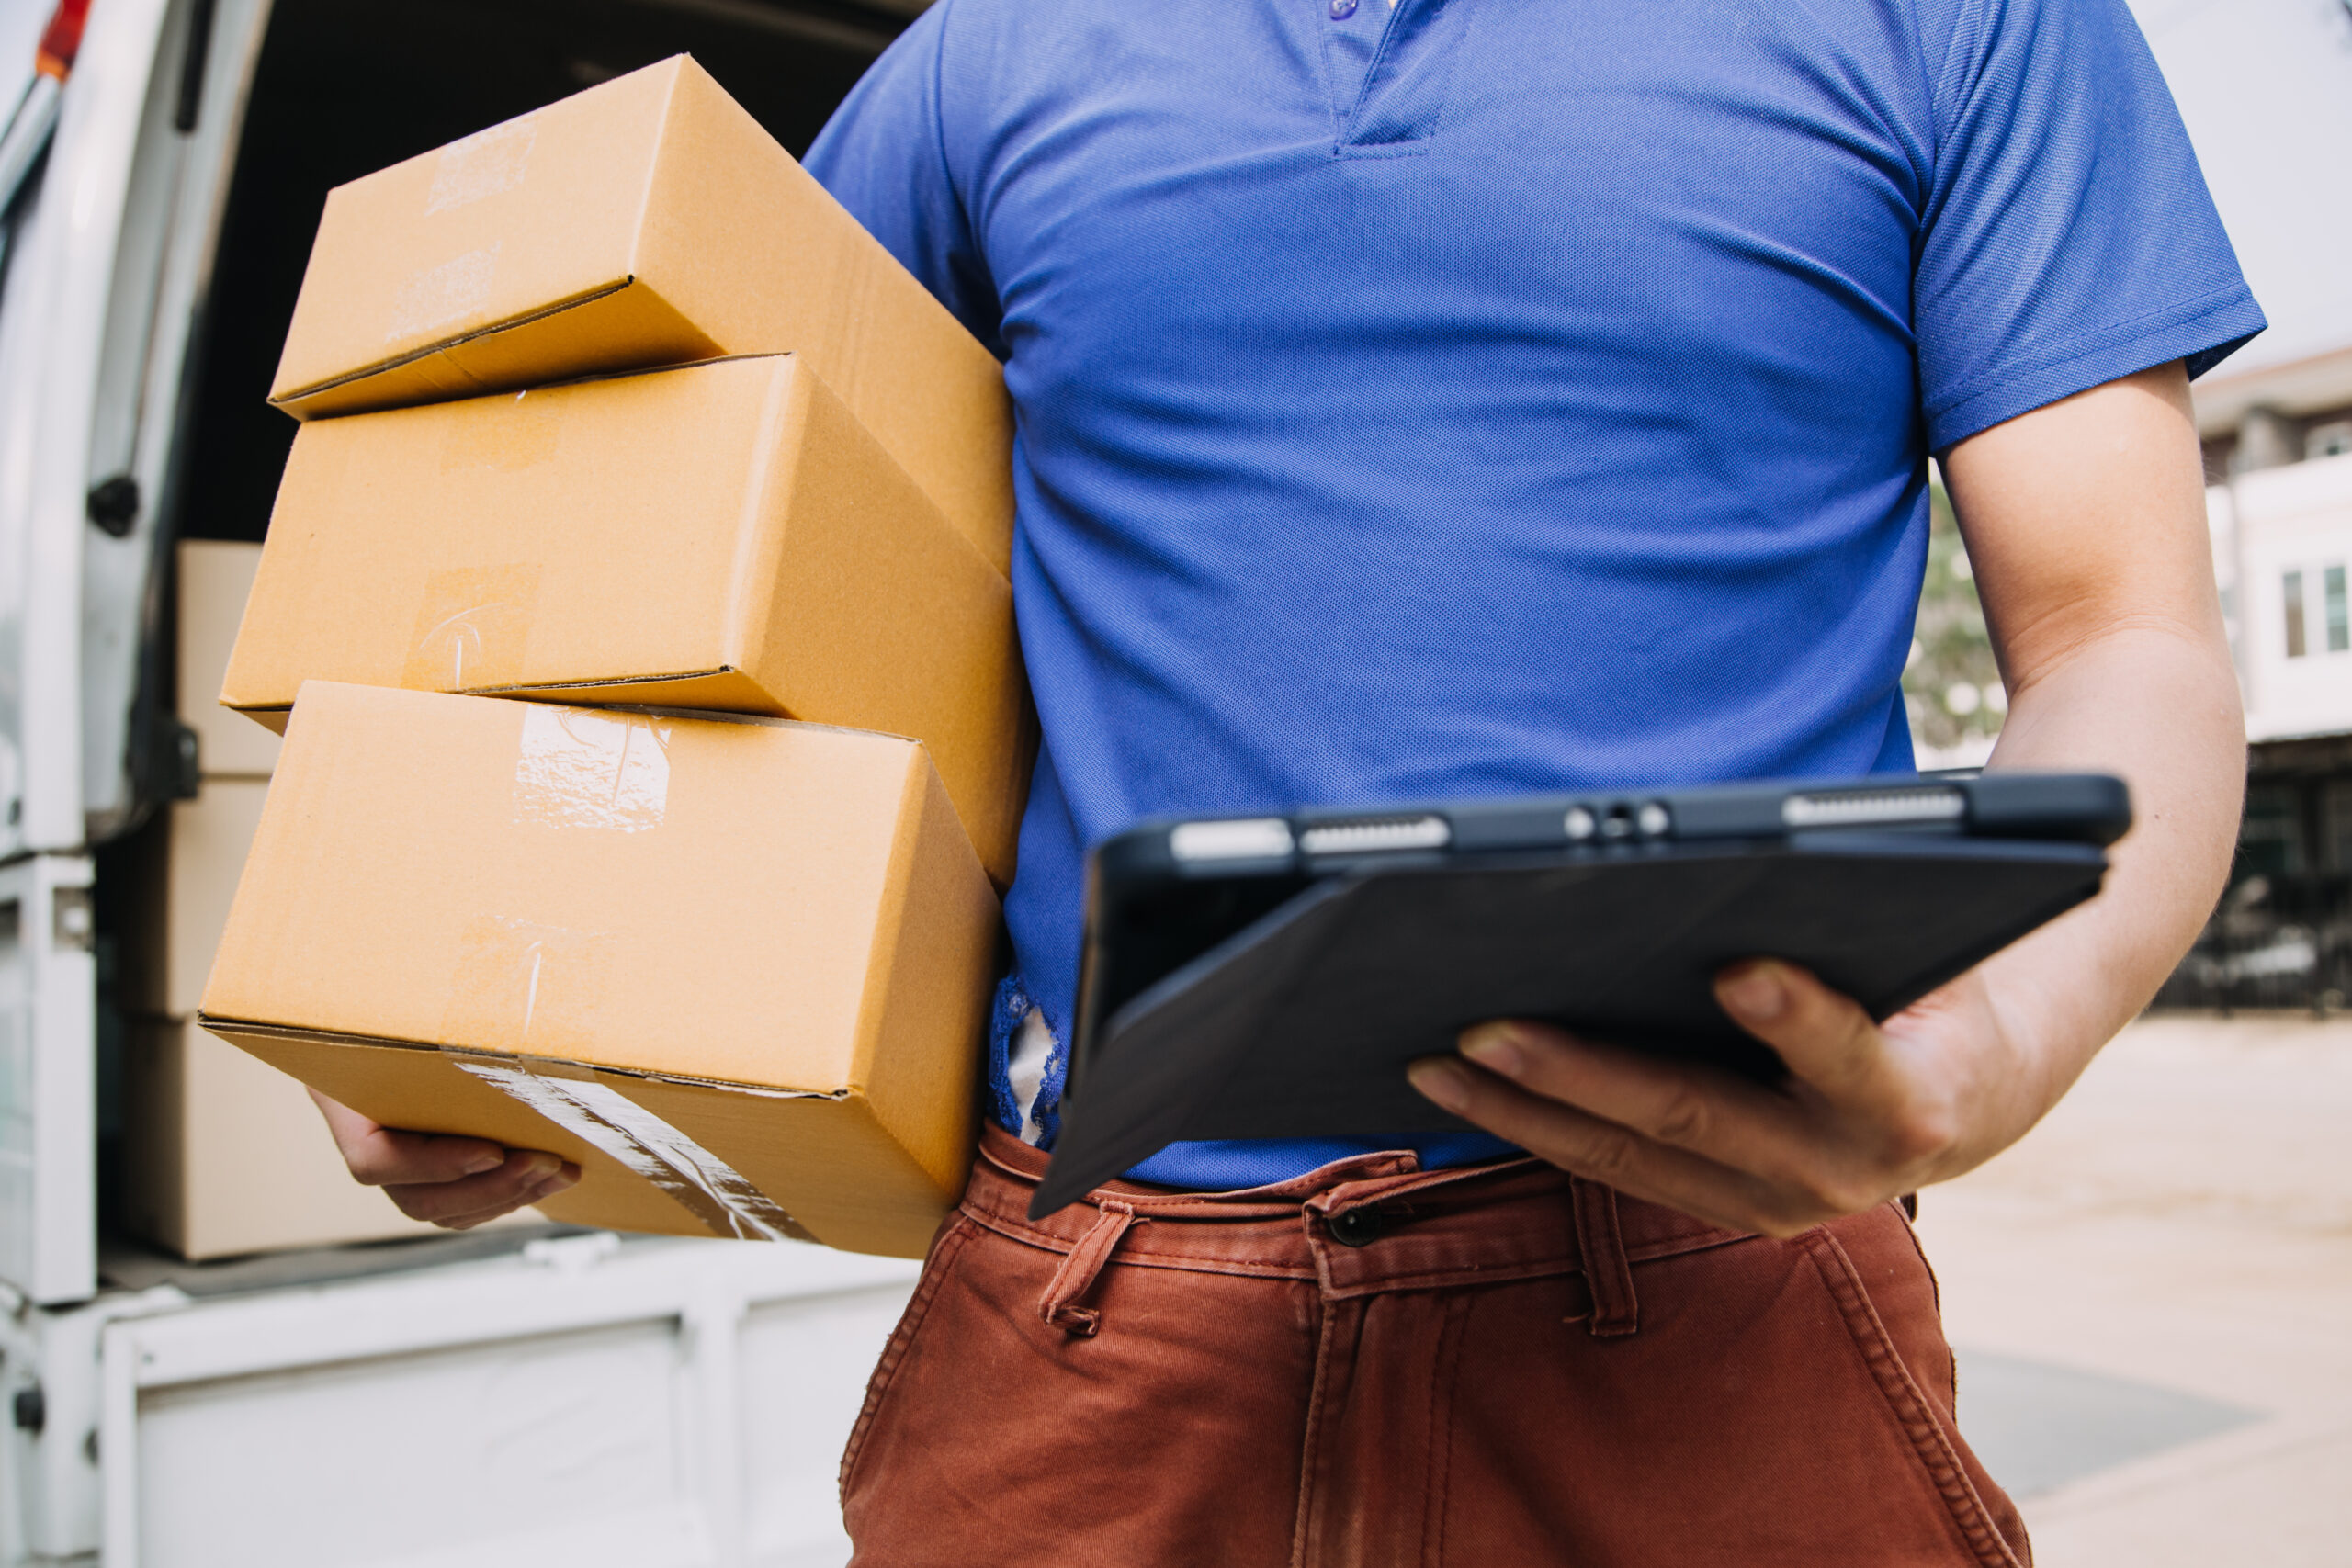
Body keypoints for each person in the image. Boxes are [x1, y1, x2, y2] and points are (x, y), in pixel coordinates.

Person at [314, 0, 2261, 1560]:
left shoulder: (1965, 21)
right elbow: (656, 531)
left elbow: (2123, 642)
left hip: (1706, 1283)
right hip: (1096, 1321)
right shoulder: (995, 54)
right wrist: (457, 986)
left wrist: (1995, 1039)